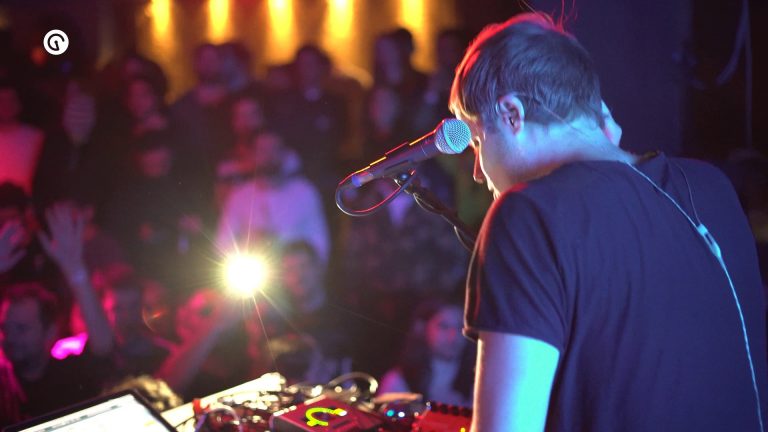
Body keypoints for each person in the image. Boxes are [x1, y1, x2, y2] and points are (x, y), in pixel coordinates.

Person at [450, 13, 768, 431]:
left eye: (477, 141)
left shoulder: (527, 214)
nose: (477, 171)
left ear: (512, 114)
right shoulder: (712, 188)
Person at [378, 298, 474, 406]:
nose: (453, 336)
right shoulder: (398, 381)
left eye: (460, 327)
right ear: (422, 328)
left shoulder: (478, 381)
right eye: (443, 326)